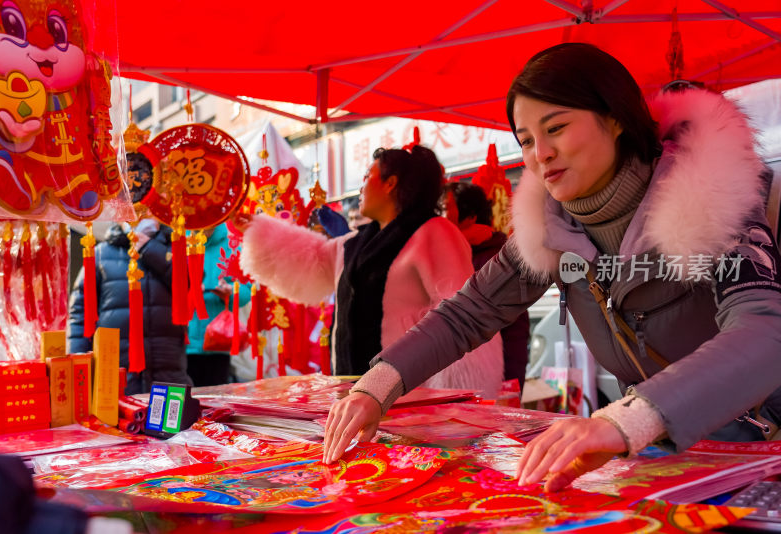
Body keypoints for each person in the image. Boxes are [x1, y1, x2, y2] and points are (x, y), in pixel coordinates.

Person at [323, 43, 781, 492]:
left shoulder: (714, 195)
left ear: (615, 117)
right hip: (668, 461)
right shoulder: (549, 229)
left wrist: (627, 419)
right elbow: (467, 313)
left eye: (556, 127)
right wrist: (375, 386)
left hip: (763, 451)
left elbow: (765, 332)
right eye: (525, 140)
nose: (540, 153)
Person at [238, 145, 503, 397]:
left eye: (367, 176)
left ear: (391, 183)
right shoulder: (355, 243)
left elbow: (461, 318)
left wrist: (453, 403)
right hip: (353, 398)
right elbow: (311, 261)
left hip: (411, 401)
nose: (361, 185)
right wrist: (256, 229)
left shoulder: (435, 232)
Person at [68, 218, 192, 394]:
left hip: (167, 367)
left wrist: (148, 248)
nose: (140, 216)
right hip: (116, 369)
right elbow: (80, 313)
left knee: (169, 418)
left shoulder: (175, 249)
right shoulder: (101, 254)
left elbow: (189, 282)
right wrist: (77, 363)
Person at [444, 181, 530, 388]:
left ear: (471, 216)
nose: (440, 217)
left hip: (495, 377)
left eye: (446, 209)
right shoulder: (458, 252)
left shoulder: (496, 258)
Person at [186, 223, 250, 386]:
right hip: (184, 340)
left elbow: (246, 291)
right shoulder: (179, 241)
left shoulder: (231, 247)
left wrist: (231, 291)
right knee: (185, 400)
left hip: (218, 340)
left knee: (215, 400)